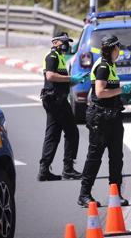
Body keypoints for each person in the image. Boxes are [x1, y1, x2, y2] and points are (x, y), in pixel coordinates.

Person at [78, 34, 131, 207]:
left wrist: (125, 97)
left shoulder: (111, 65)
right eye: (118, 48)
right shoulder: (103, 66)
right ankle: (84, 194)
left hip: (112, 116)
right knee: (95, 156)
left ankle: (116, 194)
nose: (119, 51)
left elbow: (110, 93)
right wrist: (121, 90)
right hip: (100, 117)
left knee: (116, 157)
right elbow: (99, 93)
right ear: (113, 48)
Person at [38, 32, 88, 181]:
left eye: (68, 42)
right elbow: (51, 76)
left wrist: (75, 81)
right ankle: (68, 169)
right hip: (56, 100)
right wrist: (71, 78)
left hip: (55, 99)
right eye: (64, 41)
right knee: (72, 132)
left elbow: (60, 80)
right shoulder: (52, 56)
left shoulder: (60, 58)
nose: (66, 44)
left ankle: (44, 170)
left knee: (53, 135)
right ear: (55, 42)